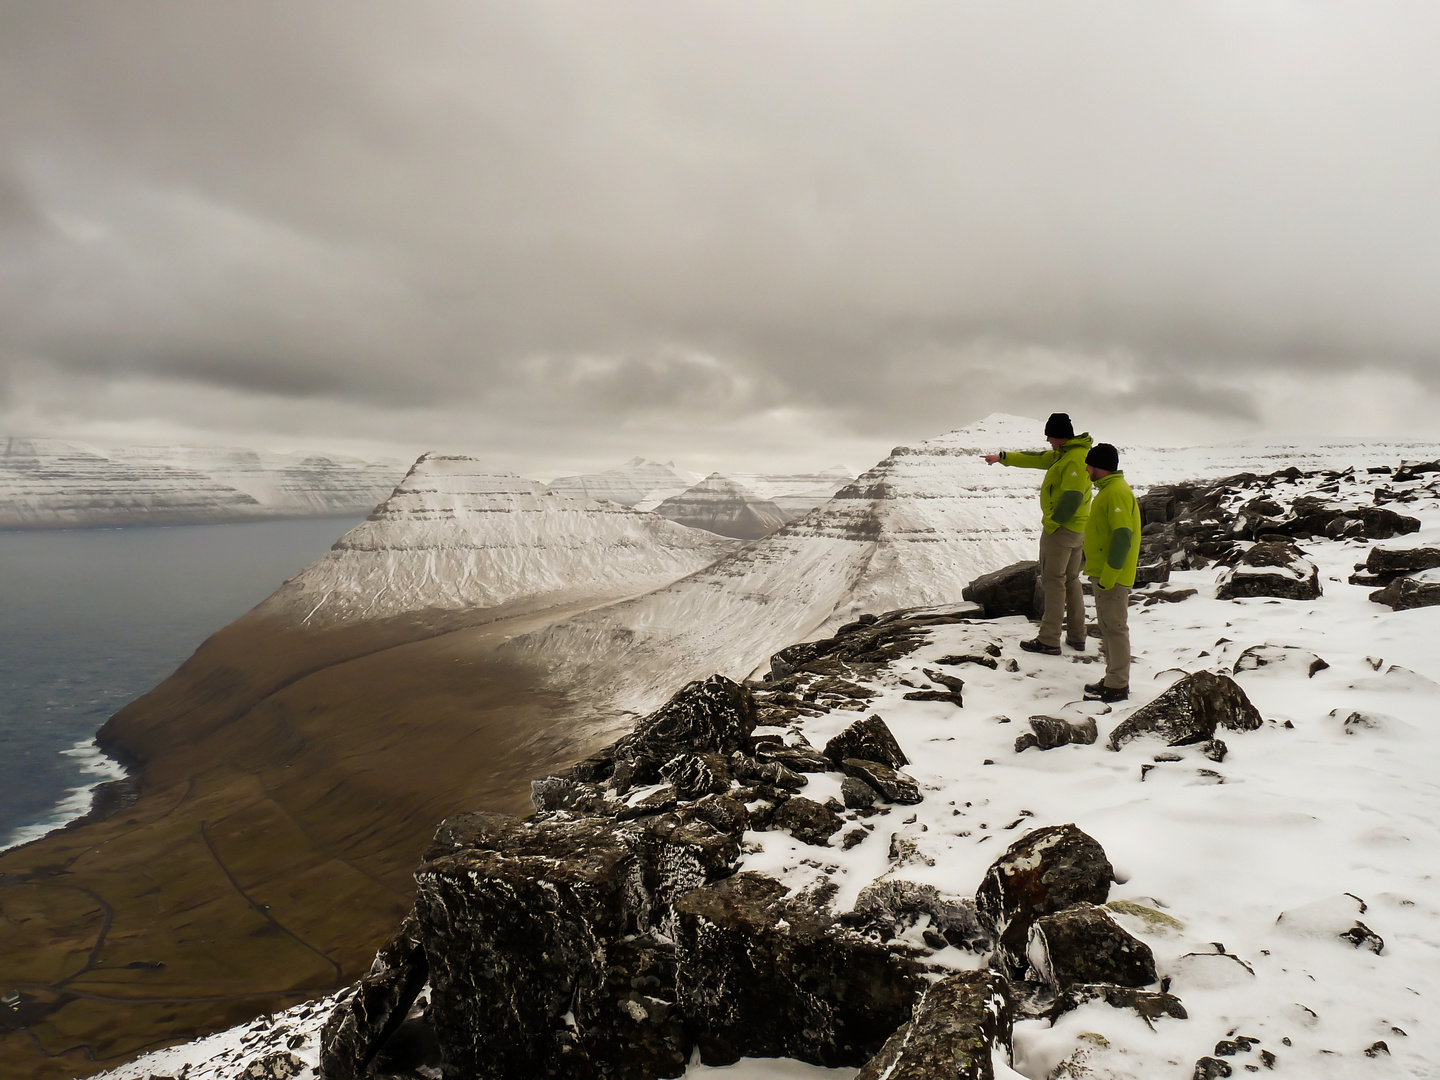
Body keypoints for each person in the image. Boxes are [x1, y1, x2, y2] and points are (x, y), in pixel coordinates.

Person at [984, 413, 1093, 655]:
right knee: (1071, 580)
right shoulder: (1068, 454)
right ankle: (1077, 636)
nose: (1047, 440)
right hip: (1077, 529)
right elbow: (1037, 458)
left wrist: (1054, 522)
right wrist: (1002, 458)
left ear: (1059, 436)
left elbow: (1073, 497)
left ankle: (1049, 639)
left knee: (1054, 582)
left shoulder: (1073, 459)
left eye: (1050, 436)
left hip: (1062, 531)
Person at [1081, 442, 1140, 702]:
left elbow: (1122, 536)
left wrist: (1108, 575)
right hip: (1107, 574)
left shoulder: (1115, 492)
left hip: (1112, 577)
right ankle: (1113, 678)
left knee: (1114, 628)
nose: (1085, 469)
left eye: (1089, 464)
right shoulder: (1110, 490)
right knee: (1109, 626)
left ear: (1098, 466)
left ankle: (1117, 686)